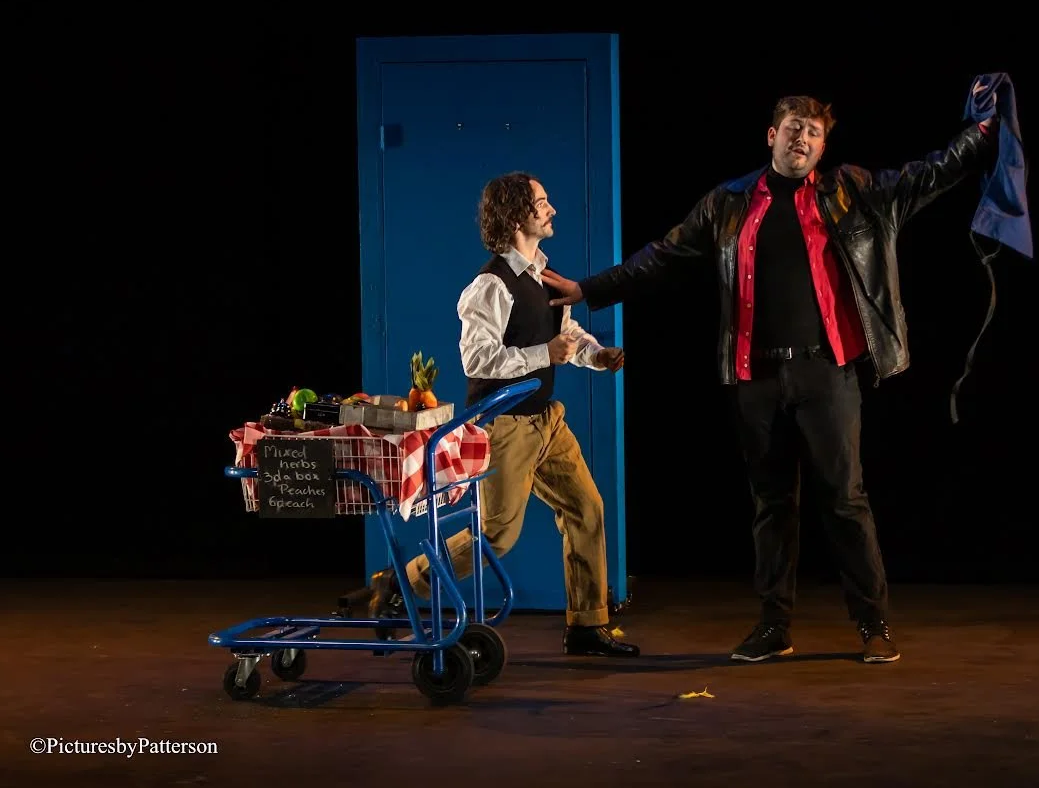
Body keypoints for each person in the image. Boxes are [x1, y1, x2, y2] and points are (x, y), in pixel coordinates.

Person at [542, 81, 998, 664]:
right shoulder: (729, 203)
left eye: (813, 132)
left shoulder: (852, 191)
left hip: (825, 372)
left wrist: (983, 132)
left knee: (845, 500)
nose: (802, 138)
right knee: (771, 505)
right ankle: (774, 627)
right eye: (793, 129)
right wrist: (588, 289)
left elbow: (930, 173)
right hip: (754, 379)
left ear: (823, 146)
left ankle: (873, 623)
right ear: (771, 136)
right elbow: (663, 255)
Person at [369, 171, 640, 658]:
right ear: (517, 217)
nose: (552, 209)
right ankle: (402, 582)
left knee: (586, 509)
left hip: (546, 419)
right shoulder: (489, 285)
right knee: (497, 532)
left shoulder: (542, 275)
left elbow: (565, 334)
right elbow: (477, 359)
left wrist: (596, 355)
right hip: (505, 423)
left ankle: (586, 625)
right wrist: (544, 354)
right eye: (542, 202)